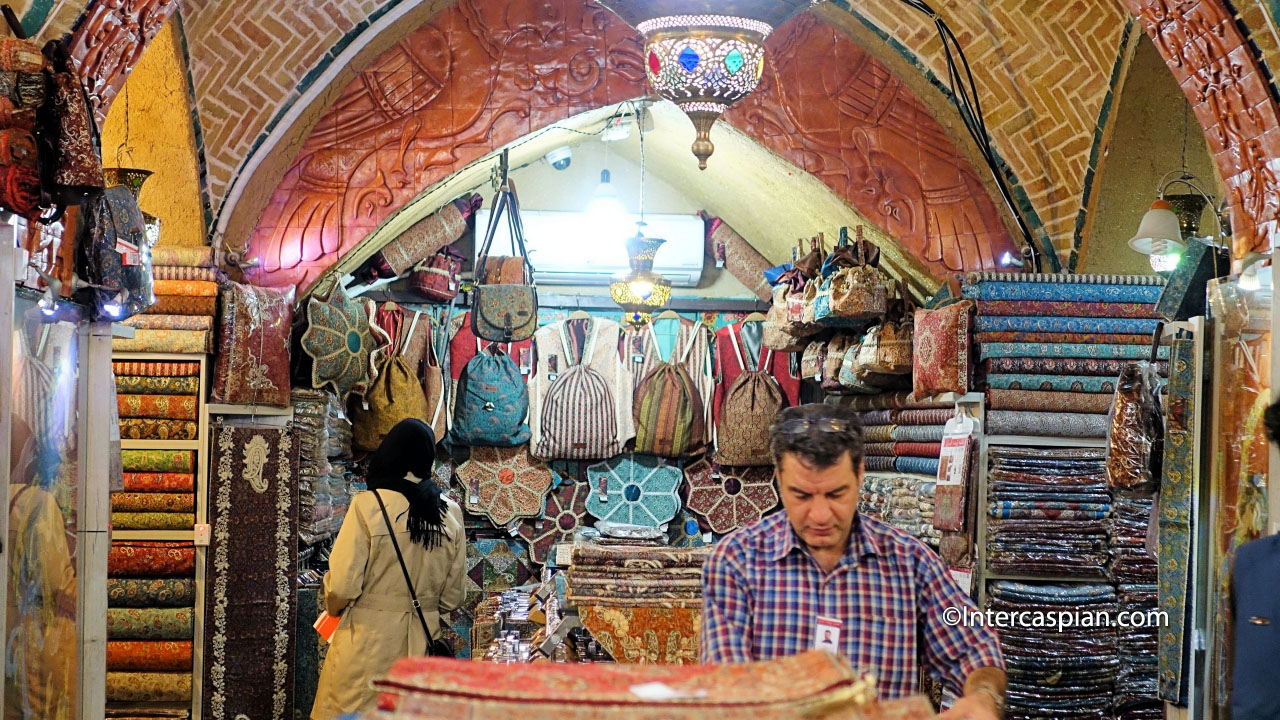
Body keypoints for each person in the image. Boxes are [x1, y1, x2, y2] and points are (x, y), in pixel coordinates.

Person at [701, 404, 1006, 720]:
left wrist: (982, 697)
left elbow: (974, 646)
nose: (820, 515)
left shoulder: (908, 562)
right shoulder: (736, 563)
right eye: (802, 496)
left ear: (860, 474)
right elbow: (727, 688)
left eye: (836, 494)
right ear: (778, 479)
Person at [312, 419, 466, 719]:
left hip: (368, 648)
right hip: (421, 649)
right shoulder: (450, 513)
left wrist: (333, 606)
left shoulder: (367, 506)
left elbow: (342, 587)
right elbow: (452, 599)